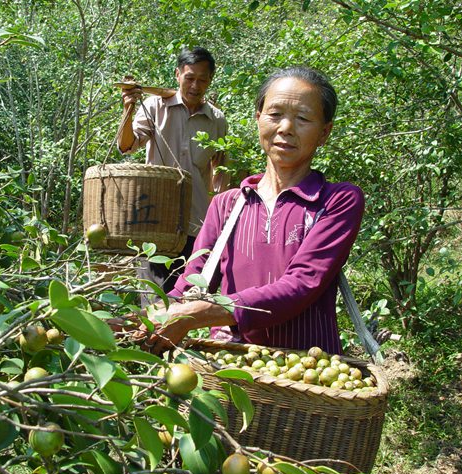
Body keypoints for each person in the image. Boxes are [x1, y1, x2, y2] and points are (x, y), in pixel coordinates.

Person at [133, 66, 365, 356]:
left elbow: (301, 284)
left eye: (303, 118)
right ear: (258, 120)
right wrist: (143, 320)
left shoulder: (337, 200)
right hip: (230, 365)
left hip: (307, 373)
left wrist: (199, 313)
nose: (286, 128)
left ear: (324, 133)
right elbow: (193, 279)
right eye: (275, 114)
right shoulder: (227, 204)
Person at [118, 47, 229, 296]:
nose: (195, 85)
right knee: (153, 298)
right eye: (190, 78)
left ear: (210, 80)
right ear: (178, 74)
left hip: (195, 224)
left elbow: (220, 173)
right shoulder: (156, 106)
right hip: (155, 220)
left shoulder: (217, 120)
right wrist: (128, 108)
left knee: (186, 299)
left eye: (202, 79)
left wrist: (220, 219)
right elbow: (127, 146)